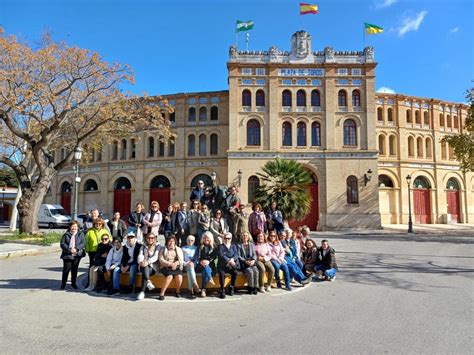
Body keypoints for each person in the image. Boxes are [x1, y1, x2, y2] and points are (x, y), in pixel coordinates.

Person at [84, 218, 110, 286]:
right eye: (96, 224)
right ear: (94, 224)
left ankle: (99, 283)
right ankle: (90, 282)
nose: (98, 225)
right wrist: (87, 250)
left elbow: (110, 240)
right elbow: (86, 242)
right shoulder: (90, 231)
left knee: (99, 268)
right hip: (92, 252)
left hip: (102, 251)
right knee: (92, 267)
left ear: (102, 224)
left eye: (100, 224)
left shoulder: (105, 231)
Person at [60, 221, 85, 290]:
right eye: (72, 226)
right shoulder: (66, 234)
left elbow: (83, 243)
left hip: (77, 254)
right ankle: (63, 283)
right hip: (67, 254)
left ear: (78, 227)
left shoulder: (81, 234)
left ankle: (73, 283)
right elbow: (62, 244)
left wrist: (76, 249)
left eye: (75, 226)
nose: (74, 228)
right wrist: (69, 249)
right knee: (66, 269)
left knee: (74, 269)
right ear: (70, 227)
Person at [136, 233, 160, 300]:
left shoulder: (158, 246)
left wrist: (147, 262)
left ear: (155, 239)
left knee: (145, 270)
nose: (150, 239)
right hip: (143, 265)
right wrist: (141, 261)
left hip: (153, 267)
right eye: (149, 238)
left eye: (152, 238)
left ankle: (142, 291)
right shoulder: (143, 246)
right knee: (145, 268)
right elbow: (140, 255)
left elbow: (156, 257)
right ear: (146, 238)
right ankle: (148, 281)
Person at [217, 232, 239, 299]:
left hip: (231, 266)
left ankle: (231, 287)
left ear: (231, 239)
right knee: (222, 274)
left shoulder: (233, 246)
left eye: (228, 238)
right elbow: (222, 255)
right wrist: (229, 260)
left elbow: (236, 254)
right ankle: (222, 290)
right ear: (223, 239)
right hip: (222, 266)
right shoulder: (220, 246)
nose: (227, 240)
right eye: (225, 238)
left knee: (235, 272)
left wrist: (232, 259)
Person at [197, 231, 217, 297]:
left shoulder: (214, 246)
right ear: (203, 238)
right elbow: (198, 256)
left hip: (210, 265)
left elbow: (214, 256)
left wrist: (208, 261)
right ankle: (210, 278)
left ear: (210, 238)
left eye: (208, 238)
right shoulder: (200, 246)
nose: (206, 239)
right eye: (205, 238)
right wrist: (201, 261)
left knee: (205, 270)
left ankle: (203, 289)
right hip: (201, 264)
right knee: (205, 268)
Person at [182, 235, 201, 299]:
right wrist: (186, 263)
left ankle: (190, 290)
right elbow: (181, 259)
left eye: (192, 240)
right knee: (190, 267)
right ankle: (195, 285)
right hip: (186, 265)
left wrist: (193, 263)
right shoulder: (183, 248)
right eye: (189, 240)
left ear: (194, 241)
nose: (190, 241)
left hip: (194, 265)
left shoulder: (196, 248)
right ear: (186, 240)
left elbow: (197, 259)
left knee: (190, 268)